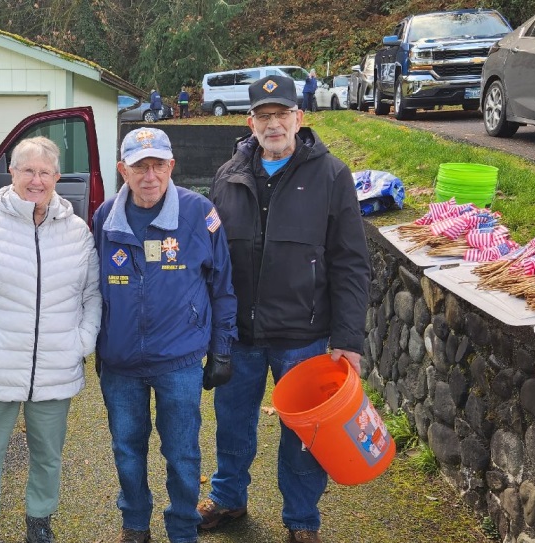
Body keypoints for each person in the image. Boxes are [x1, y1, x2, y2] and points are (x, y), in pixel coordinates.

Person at [202, 75, 370, 543]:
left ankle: (301, 519)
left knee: (304, 436)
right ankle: (228, 498)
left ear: (299, 118)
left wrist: (348, 339)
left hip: (304, 336)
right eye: (264, 116)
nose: (273, 124)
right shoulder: (227, 175)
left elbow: (351, 263)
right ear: (250, 122)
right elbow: (211, 260)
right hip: (240, 334)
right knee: (232, 425)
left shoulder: (332, 175)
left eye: (281, 114)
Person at [0, 136, 102, 543]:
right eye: (27, 170)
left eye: (44, 172)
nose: (36, 180)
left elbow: (92, 295)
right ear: (11, 173)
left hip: (55, 367)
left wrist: (81, 342)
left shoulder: (77, 231)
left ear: (57, 178)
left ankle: (39, 521)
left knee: (48, 455)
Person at [93, 127, 238, 543]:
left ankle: (182, 528)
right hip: (120, 364)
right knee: (126, 449)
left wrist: (221, 350)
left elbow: (222, 287)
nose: (150, 175)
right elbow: (89, 288)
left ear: (171, 166)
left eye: (158, 165)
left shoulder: (199, 213)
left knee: (182, 452)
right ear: (123, 170)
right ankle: (135, 523)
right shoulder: (104, 217)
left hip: (179, 362)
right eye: (139, 167)